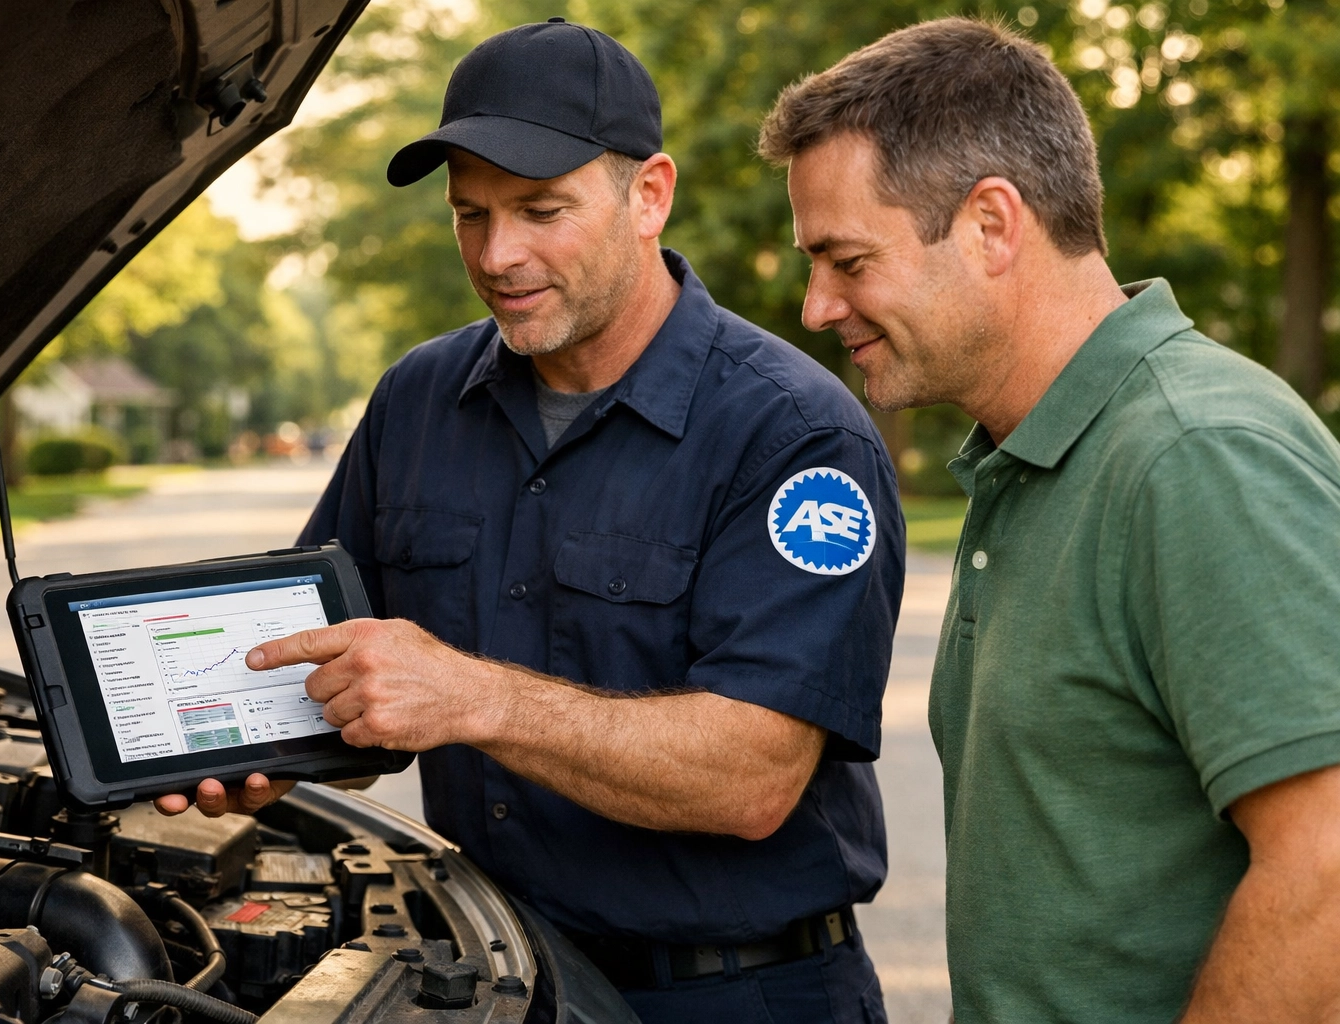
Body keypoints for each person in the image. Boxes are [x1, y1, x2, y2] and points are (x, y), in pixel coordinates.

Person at [157, 20, 905, 1023]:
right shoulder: (417, 401)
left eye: (541, 209)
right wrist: (241, 749)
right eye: (471, 215)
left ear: (650, 195)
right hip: (505, 979)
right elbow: (339, 663)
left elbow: (752, 775)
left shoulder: (795, 437)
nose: (499, 254)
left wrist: (475, 697)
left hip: (741, 993)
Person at [759, 16, 1340, 1024]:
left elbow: (1329, 863)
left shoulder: (1193, 455)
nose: (816, 306)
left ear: (991, 223)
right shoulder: (1032, 459)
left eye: (846, 260)